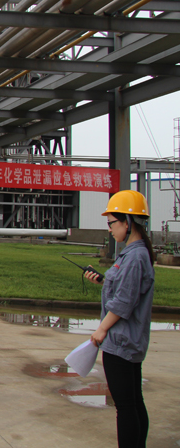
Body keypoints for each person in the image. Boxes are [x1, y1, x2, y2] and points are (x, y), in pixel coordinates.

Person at [84, 190, 154, 447]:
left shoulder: (134, 257)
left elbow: (124, 302)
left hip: (121, 342)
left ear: (128, 221)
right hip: (128, 340)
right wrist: (103, 282)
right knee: (134, 402)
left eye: (112, 223)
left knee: (125, 406)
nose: (110, 229)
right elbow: (126, 290)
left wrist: (101, 330)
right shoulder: (134, 254)